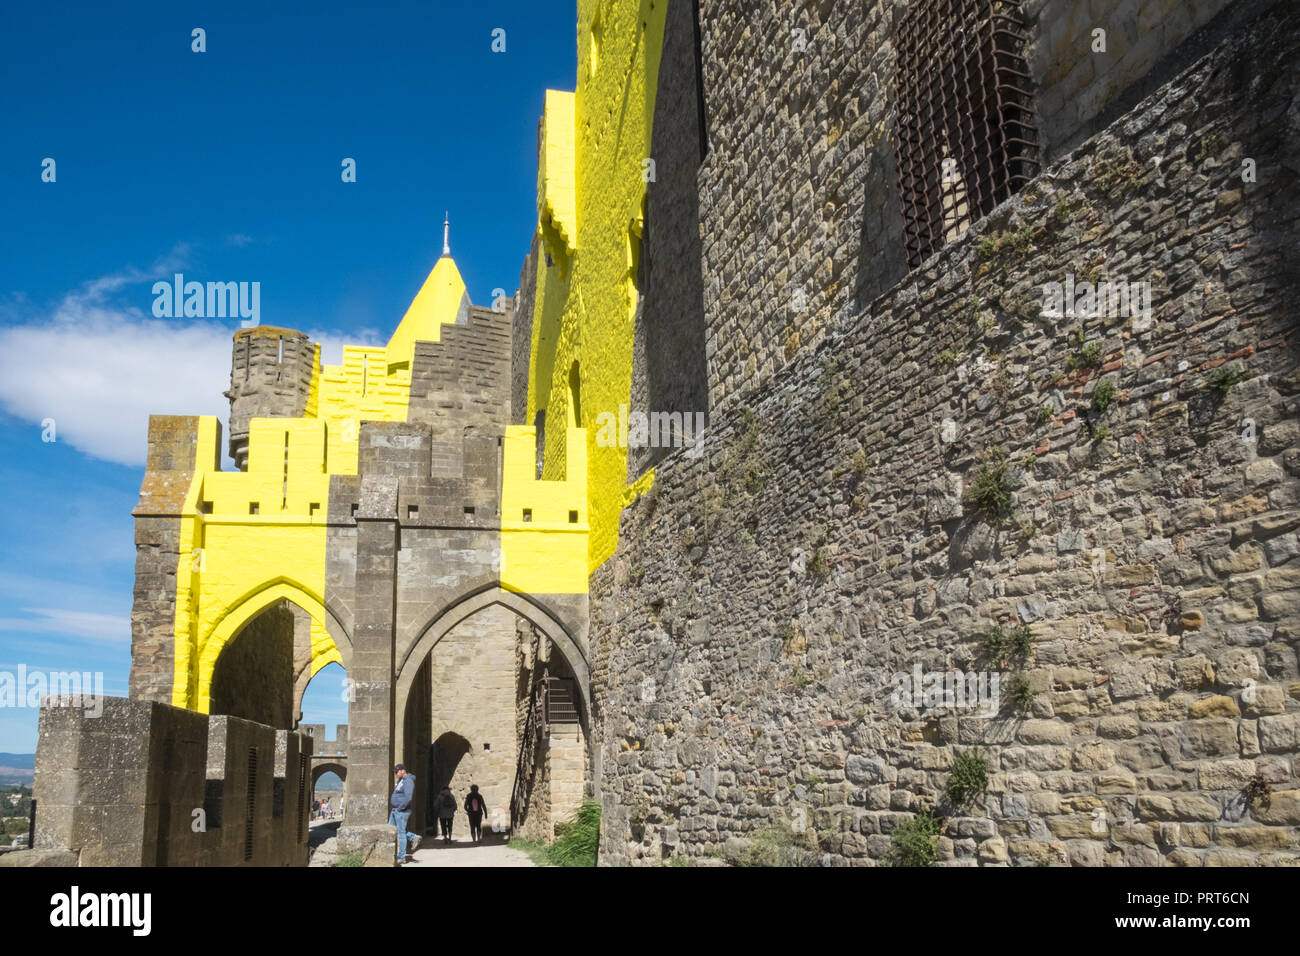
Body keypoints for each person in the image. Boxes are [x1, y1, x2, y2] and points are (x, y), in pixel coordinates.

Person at [389, 764, 415, 864]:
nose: (395, 774)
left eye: (396, 772)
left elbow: (408, 797)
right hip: (395, 810)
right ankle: (413, 837)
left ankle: (402, 856)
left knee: (401, 833)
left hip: (401, 811)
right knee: (392, 829)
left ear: (402, 771)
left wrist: (400, 808)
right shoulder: (401, 780)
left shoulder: (408, 781)